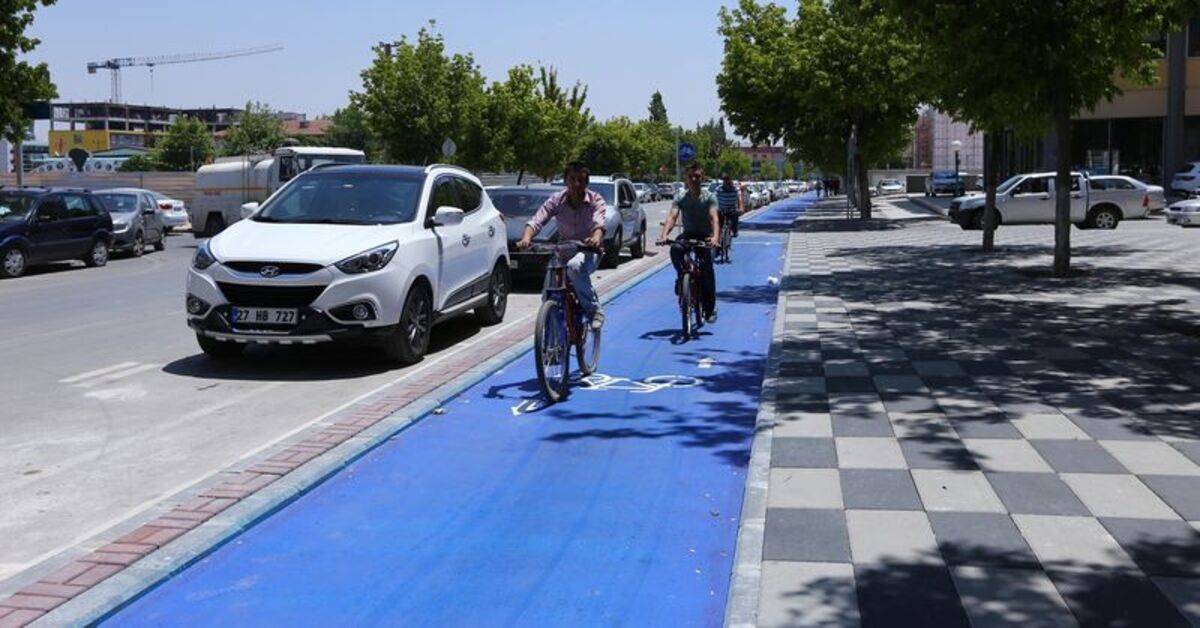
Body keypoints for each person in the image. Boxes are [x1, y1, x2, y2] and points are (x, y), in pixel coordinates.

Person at [517, 161, 607, 330]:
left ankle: (594, 311)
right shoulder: (557, 200)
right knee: (549, 290)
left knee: (574, 267)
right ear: (565, 180)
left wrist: (595, 237)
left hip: (589, 251)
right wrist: (526, 238)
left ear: (586, 183)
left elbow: (599, 223)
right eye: (572, 179)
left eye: (580, 180)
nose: (576, 184)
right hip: (564, 250)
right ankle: (551, 332)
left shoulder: (596, 200)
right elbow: (537, 220)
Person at [657, 163, 720, 324]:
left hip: (705, 237)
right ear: (686, 178)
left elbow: (714, 218)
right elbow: (672, 217)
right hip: (688, 234)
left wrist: (715, 238)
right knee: (676, 249)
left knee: (706, 271)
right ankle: (681, 276)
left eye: (697, 176)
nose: (694, 179)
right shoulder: (680, 197)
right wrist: (664, 235)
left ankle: (709, 309)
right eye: (691, 176)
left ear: (702, 178)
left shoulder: (709, 197)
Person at [715, 172, 744, 239]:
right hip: (722, 209)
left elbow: (739, 199)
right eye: (724, 180)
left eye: (727, 179)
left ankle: (734, 230)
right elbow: (714, 198)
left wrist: (741, 208)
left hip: (732, 209)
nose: (726, 182)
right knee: (718, 222)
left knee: (734, 216)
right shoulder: (719, 189)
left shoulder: (735, 189)